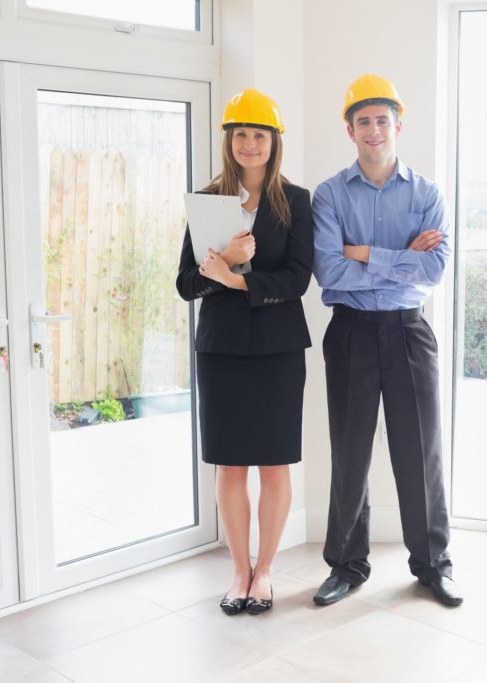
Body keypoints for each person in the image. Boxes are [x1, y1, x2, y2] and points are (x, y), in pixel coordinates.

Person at [310, 74, 462, 607]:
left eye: (382, 120)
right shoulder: (329, 195)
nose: (373, 130)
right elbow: (329, 273)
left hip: (407, 331)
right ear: (349, 129)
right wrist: (400, 259)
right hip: (350, 331)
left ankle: (432, 565)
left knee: (420, 452)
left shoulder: (427, 195)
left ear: (399, 124)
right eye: (363, 121)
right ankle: (347, 566)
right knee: (349, 452)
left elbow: (434, 268)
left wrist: (365, 253)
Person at [176, 88, 313, 616]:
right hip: (222, 350)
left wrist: (235, 279)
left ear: (273, 142)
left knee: (274, 465)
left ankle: (267, 571)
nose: (250, 144)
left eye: (259, 135)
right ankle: (239, 572)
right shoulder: (206, 200)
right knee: (230, 466)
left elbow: (298, 278)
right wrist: (225, 261)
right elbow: (187, 284)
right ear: (229, 141)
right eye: (241, 135)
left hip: (278, 349)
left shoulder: (295, 201)